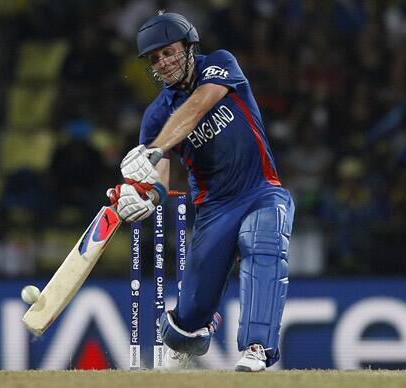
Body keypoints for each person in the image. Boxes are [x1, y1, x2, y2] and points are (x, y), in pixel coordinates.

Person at [107, 11, 295, 372]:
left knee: (263, 242)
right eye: (155, 58)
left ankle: (256, 347)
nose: (163, 62)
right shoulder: (156, 116)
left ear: (190, 47)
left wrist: (154, 150)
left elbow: (196, 107)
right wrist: (145, 198)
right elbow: (159, 179)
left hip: (261, 191)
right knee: (184, 329)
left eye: (169, 52)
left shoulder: (220, 65)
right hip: (214, 211)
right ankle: (198, 325)